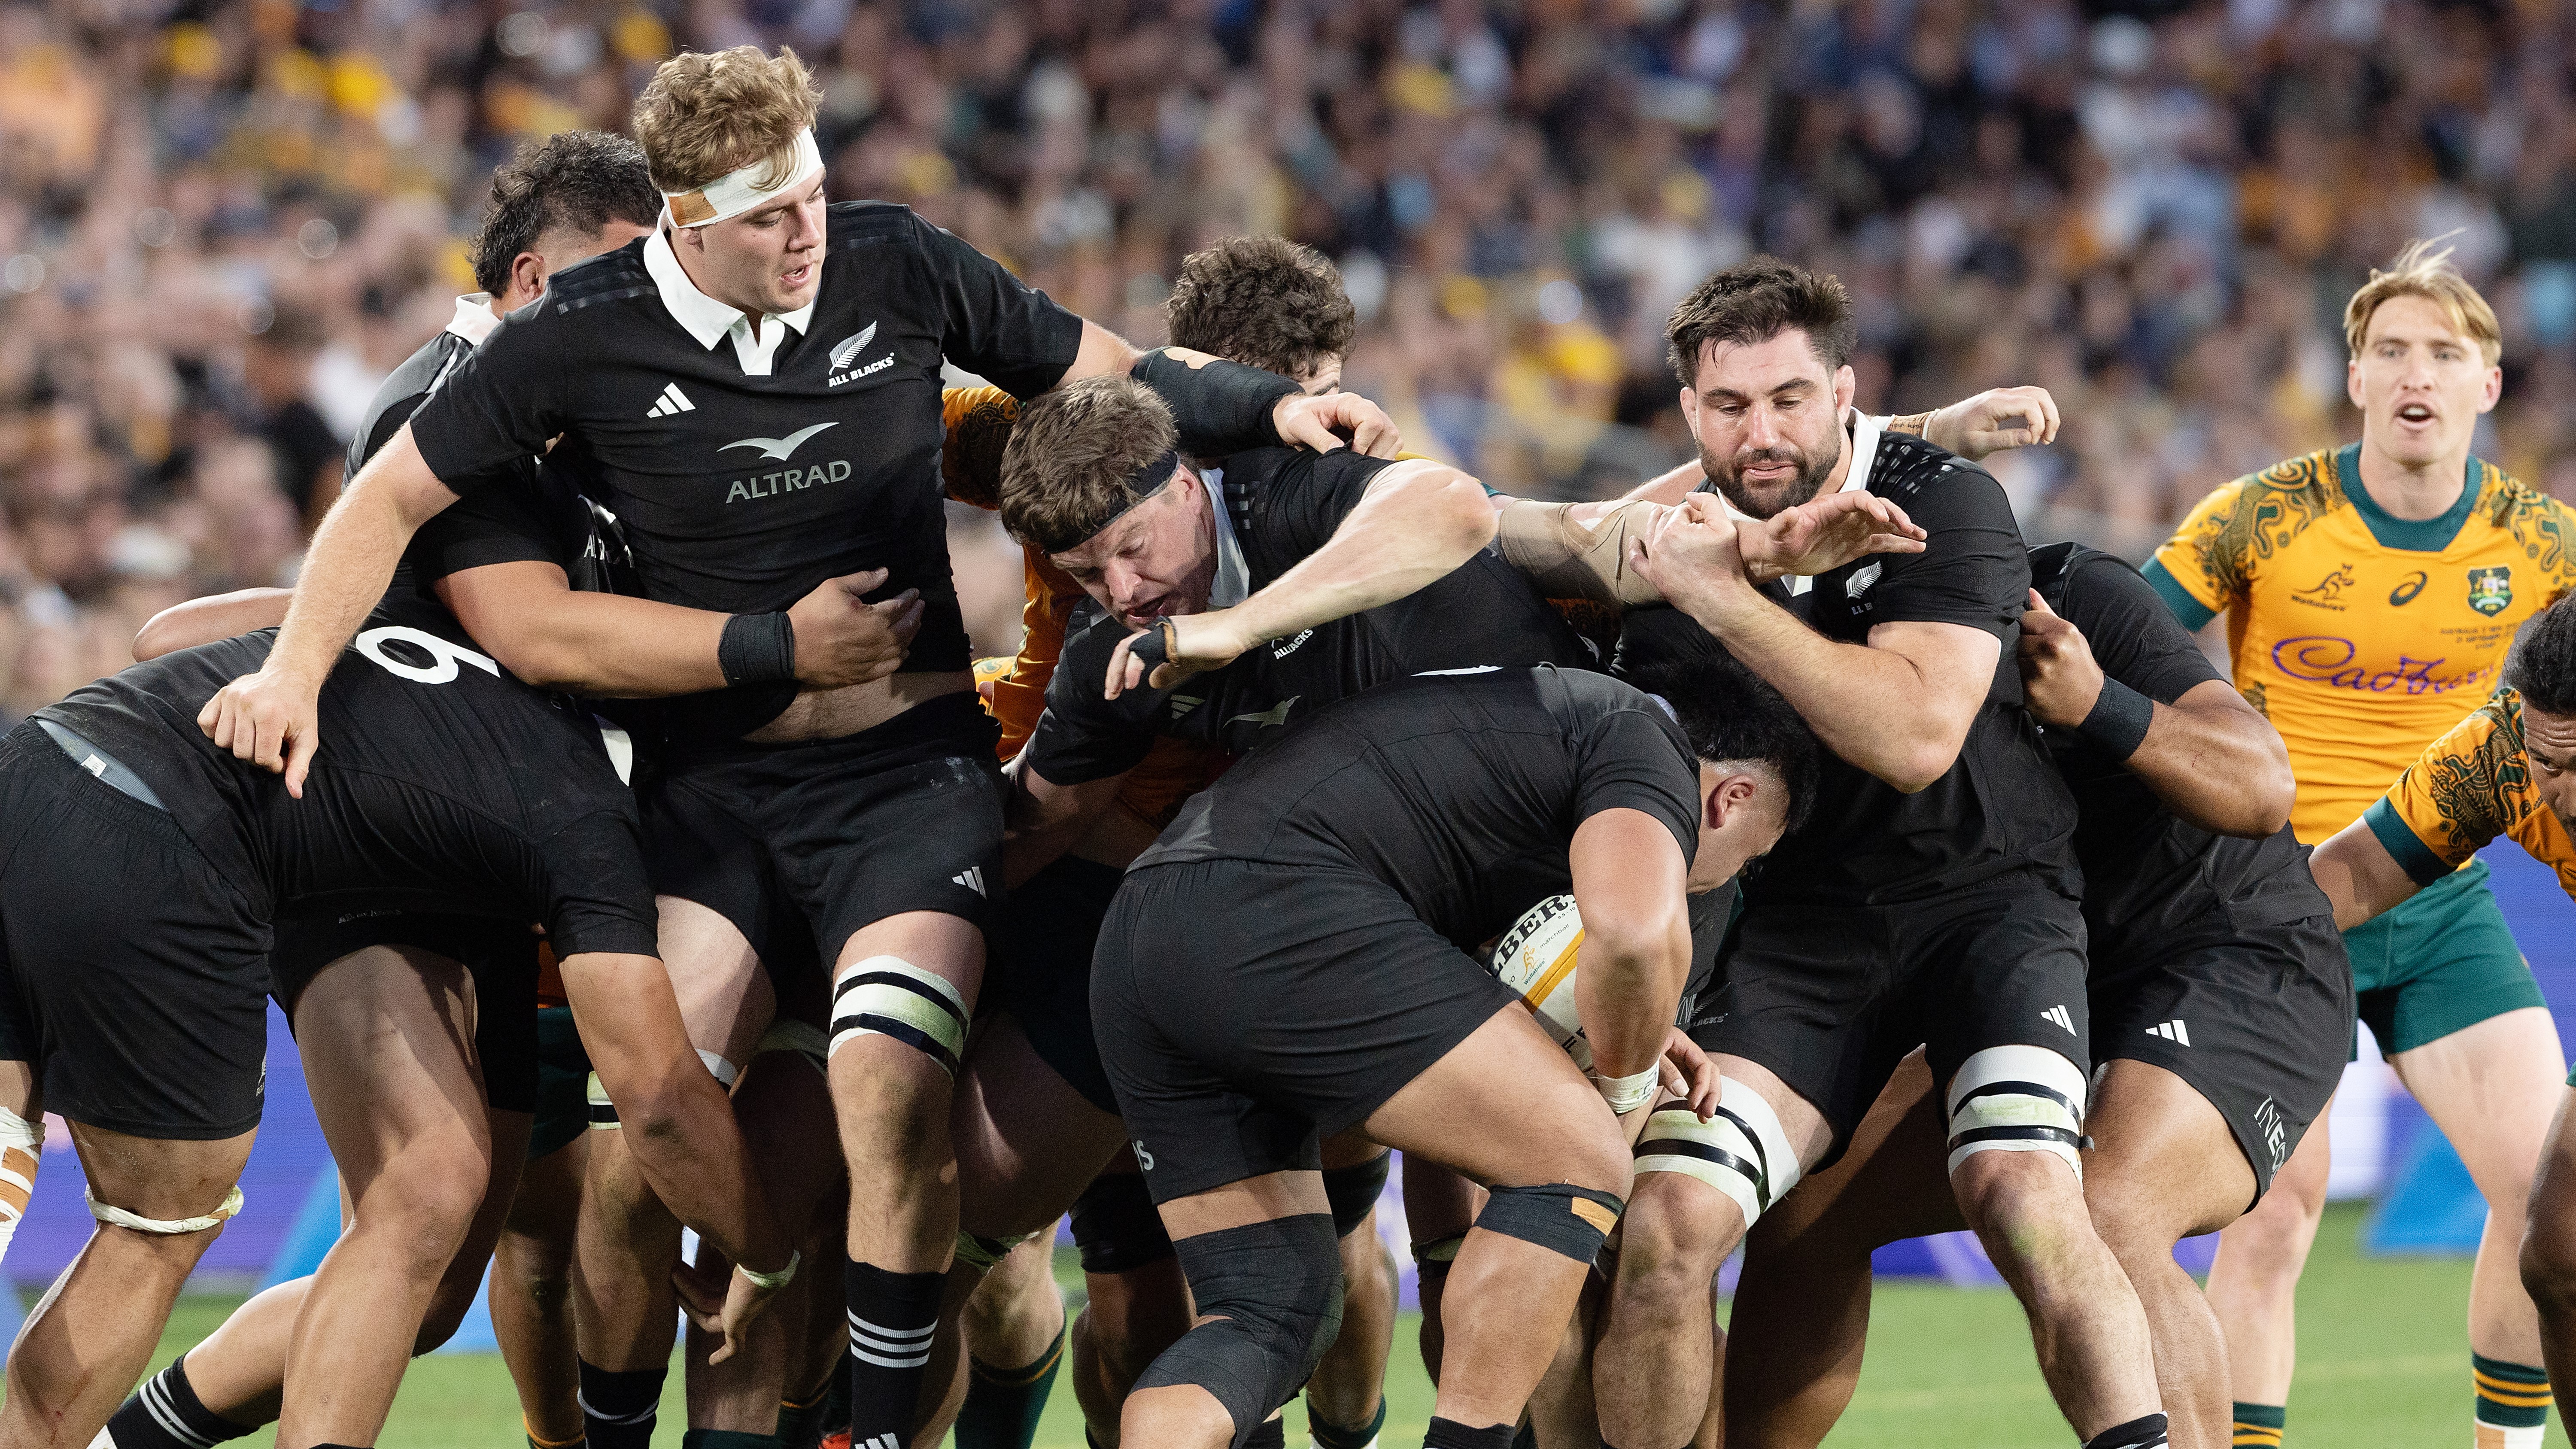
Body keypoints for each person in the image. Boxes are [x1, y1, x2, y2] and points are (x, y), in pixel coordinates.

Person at [191, 44, 1392, 1449]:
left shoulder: (903, 266)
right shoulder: (575, 338)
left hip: (908, 782)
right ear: (688, 226)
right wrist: (290, 665)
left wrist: (1270, 410)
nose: (809, 232)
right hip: (713, 800)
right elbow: (388, 500)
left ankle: (872, 1435)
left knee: (891, 1098)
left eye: (816, 194)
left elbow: (1108, 375)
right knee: (649, 1139)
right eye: (770, 216)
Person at [94, 130, 674, 1449]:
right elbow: (518, 632)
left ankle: (145, 1436)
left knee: (436, 1268)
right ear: (532, 279)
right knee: (423, 1196)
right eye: (620, 277)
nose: (646, 311)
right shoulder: (456, 398)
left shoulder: (570, 419)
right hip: (368, 840)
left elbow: (379, 610)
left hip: (482, 854)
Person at [0, 586, 790, 1449]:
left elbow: (163, 635)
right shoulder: (585, 809)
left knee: (434, 1227)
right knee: (160, 1227)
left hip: (40, 761)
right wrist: (767, 1252)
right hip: (186, 844)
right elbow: (664, 1100)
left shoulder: (456, 614)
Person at [1599, 256, 2169, 1449]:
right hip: (1807, 935)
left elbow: (1915, 736)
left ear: (1846, 394)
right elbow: (1536, 565)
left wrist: (1726, 597)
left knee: (2025, 1196)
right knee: (1663, 1233)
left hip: (1993, 906)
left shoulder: (1945, 497)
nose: (1761, 432)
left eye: (1791, 399)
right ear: (1689, 414)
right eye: (1728, 405)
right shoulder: (1668, 543)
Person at [1713, 541, 2350, 1449]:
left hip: (2232, 957)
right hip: (2045, 979)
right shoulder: (1814, 663)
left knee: (2101, 1208)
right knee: (1809, 1205)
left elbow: (2262, 784)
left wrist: (2100, 704)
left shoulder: (2069, 595)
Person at [1094, 660, 1809, 1449]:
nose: (1727, 877)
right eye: (1748, 857)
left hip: (1142, 936)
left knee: (1268, 1313)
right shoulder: (1648, 744)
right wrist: (1629, 1071)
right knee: (1579, 1160)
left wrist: (1627, 1012)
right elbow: (1637, 937)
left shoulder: (1514, 716)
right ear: (1728, 800)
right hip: (1279, 909)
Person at [2145, 239, 2576, 1449]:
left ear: (2490, 386)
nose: (2415, 373)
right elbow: (2114, 648)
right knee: (2275, 1216)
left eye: (2445, 352)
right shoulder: (2263, 515)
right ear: (2354, 379)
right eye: (2391, 350)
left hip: (2440, 900)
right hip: (2276, 899)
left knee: (2546, 1195)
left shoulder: (2548, 545)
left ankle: (2508, 1446)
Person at [2298, 594, 2576, 1445]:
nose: (2564, 793)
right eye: (2548, 762)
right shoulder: (2498, 753)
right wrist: (2216, 942)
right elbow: (2358, 870)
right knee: (2557, 1249)